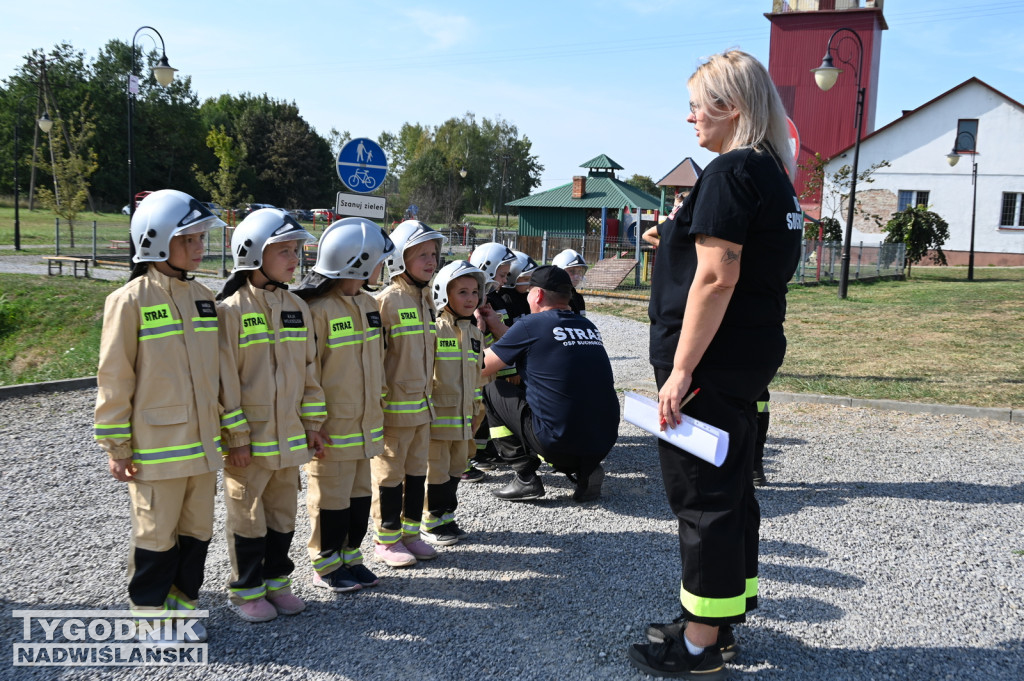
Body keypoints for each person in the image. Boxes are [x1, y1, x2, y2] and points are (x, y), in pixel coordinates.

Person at [628, 50, 803, 679]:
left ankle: (699, 644)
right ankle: (720, 617)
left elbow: (717, 276)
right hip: (748, 358)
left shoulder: (729, 171)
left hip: (712, 362)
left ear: (730, 108)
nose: (690, 117)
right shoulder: (773, 172)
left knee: (703, 498)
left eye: (698, 105)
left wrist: (680, 372)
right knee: (732, 491)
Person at [94, 189, 226, 644]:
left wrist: (231, 430)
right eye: (188, 238)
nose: (199, 246)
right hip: (157, 449)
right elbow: (115, 377)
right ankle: (149, 617)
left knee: (197, 532)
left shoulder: (205, 297)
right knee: (155, 535)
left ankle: (183, 606)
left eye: (199, 238)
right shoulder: (128, 301)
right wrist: (117, 446)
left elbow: (220, 375)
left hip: (204, 447)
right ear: (154, 239)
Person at [216, 209, 327, 622]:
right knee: (247, 514)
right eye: (283, 250)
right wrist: (236, 436)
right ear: (252, 253)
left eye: (295, 249)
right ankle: (246, 590)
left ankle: (278, 583)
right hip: (251, 439)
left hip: (291, 436)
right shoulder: (229, 310)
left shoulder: (297, 306)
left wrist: (313, 426)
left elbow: (310, 372)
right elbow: (224, 381)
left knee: (282, 514)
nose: (294, 257)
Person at [294, 217, 395, 592]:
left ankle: (351, 556)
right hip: (331, 426)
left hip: (365, 422)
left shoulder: (369, 304)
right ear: (360, 260)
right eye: (378, 259)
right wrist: (312, 422)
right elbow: (309, 369)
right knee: (329, 498)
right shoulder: (317, 309)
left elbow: (378, 360)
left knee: (357, 496)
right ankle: (325, 563)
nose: (383, 265)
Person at [480, 266, 619, 502]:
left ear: (538, 295)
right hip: (603, 441)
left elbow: (482, 366)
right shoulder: (587, 327)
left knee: (493, 389)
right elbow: (536, 341)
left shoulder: (531, 325)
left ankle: (525, 477)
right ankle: (588, 469)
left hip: (558, 444)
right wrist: (498, 326)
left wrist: (475, 334)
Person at [372, 219, 445, 567]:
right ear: (399, 258)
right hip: (393, 410)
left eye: (434, 254)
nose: (431, 262)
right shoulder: (387, 301)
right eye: (422, 255)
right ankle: (385, 541)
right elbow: (375, 359)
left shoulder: (426, 299)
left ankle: (411, 534)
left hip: (422, 408)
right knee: (389, 475)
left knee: (417, 473)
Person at [421, 260, 488, 546]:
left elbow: (476, 378)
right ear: (442, 293)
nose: (470, 298)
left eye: (474, 291)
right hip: (437, 421)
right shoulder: (434, 329)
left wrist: (478, 411)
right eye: (462, 291)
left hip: (464, 419)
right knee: (434, 472)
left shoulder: (474, 334)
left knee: (455, 469)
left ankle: (446, 516)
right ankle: (429, 520)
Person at [466, 242, 518, 476]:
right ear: (486, 267)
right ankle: (471, 456)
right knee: (470, 412)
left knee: (484, 412)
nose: (505, 280)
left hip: (490, 366)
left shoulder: (492, 299)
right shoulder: (469, 300)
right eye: (502, 273)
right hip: (472, 368)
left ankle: (484, 451)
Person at [498, 250, 538, 326]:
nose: (529, 283)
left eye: (531, 279)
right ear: (512, 277)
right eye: (526, 279)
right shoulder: (505, 299)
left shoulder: (526, 297)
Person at [552, 249, 588, 316]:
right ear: (558, 272)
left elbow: (581, 321)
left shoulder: (578, 298)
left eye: (580, 271)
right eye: (572, 271)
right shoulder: (550, 297)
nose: (577, 276)